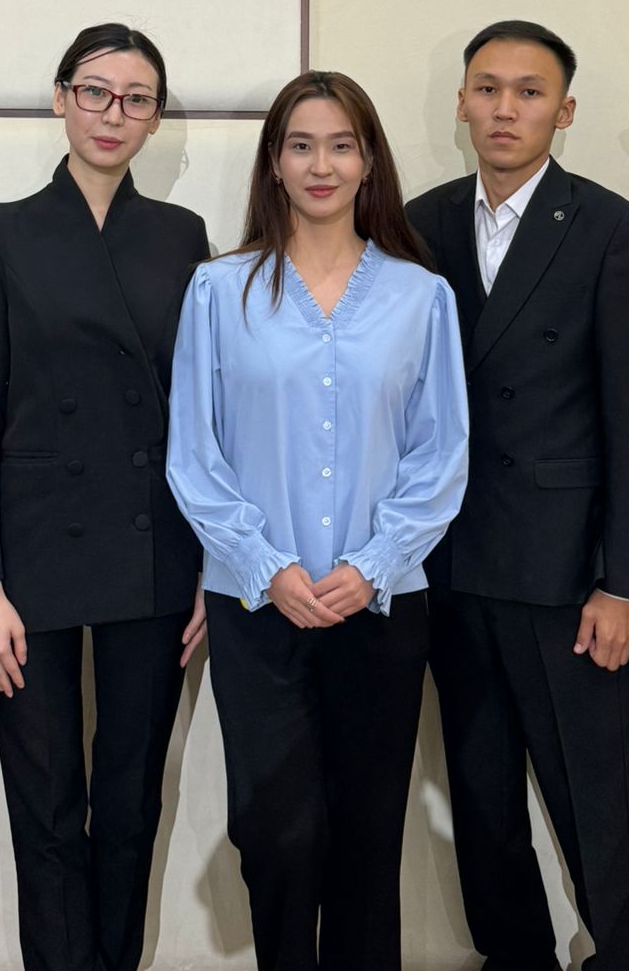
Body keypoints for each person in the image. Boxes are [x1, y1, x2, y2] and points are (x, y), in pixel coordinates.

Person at [167, 69, 468, 971]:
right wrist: (266, 566)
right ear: (274, 162)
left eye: (342, 145)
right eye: (301, 145)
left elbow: (440, 454)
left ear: (369, 160)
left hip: (380, 606)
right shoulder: (219, 291)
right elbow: (195, 453)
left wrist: (375, 564)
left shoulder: (421, 297)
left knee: (369, 838)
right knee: (278, 832)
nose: (321, 165)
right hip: (258, 606)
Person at [406, 19, 629, 971]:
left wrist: (623, 581)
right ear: (462, 102)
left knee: (595, 795)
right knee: (479, 798)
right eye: (487, 88)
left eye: (528, 91)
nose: (504, 109)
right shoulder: (419, 222)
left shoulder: (609, 227)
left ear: (565, 111)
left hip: (566, 575)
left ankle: (621, 957)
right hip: (448, 562)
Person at [0, 22, 209, 971]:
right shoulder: (1, 232)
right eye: (95, 91)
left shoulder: (181, 236)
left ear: (155, 119)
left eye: (137, 99)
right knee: (46, 804)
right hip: (28, 561)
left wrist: (208, 563)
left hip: (155, 551)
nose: (113, 113)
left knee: (132, 801)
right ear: (61, 98)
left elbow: (200, 409)